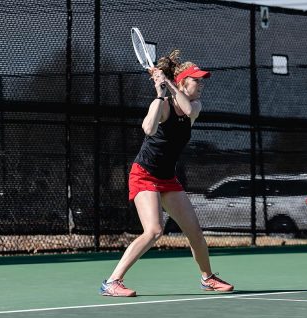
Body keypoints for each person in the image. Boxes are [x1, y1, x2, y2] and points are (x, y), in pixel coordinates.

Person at [99, 50, 234, 297]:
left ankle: (208, 277)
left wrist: (168, 83)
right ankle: (112, 282)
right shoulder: (162, 105)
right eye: (196, 80)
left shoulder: (195, 106)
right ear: (183, 82)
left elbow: (188, 109)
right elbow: (148, 129)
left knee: (194, 231)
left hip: (167, 178)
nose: (201, 84)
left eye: (201, 80)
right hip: (144, 175)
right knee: (154, 230)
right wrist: (160, 96)